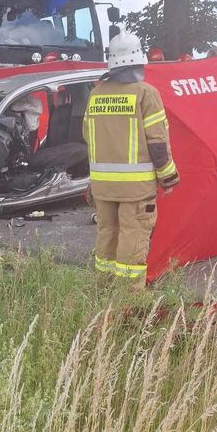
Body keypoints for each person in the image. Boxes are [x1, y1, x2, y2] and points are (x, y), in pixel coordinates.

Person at [83, 31, 179, 284]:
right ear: (139, 59)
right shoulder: (146, 94)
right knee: (132, 236)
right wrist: (168, 178)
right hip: (136, 189)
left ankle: (102, 289)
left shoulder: (96, 95)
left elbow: (87, 135)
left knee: (107, 234)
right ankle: (128, 299)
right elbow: (158, 143)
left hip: (102, 186)